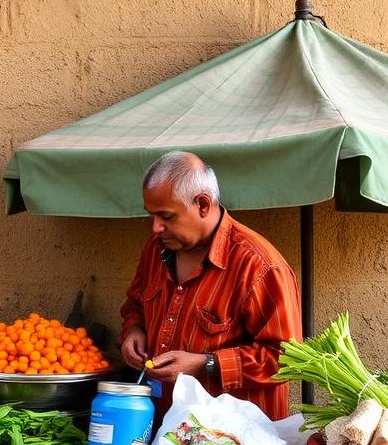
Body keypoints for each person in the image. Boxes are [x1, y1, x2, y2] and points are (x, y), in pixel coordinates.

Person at [119, 151, 302, 421]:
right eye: (151, 215)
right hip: (164, 433)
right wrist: (133, 330)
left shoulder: (260, 266)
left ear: (203, 204)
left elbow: (285, 359)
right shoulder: (155, 251)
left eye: (166, 216)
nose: (155, 227)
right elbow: (135, 304)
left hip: (236, 443)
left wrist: (206, 364)